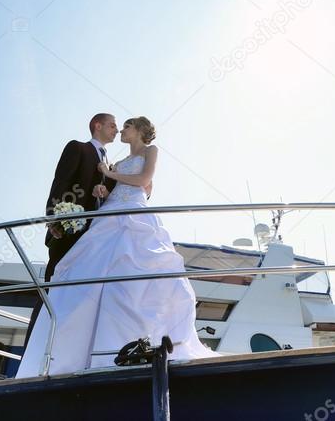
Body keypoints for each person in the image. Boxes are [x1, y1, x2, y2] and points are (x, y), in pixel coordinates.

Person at [16, 116, 216, 377]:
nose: (121, 129)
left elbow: (144, 179)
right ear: (98, 126)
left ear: (141, 130)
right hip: (106, 217)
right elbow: (71, 183)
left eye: (126, 126)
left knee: (133, 271)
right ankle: (74, 351)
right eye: (116, 125)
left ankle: (134, 342)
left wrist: (109, 174)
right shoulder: (114, 161)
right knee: (92, 274)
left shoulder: (147, 152)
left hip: (133, 215)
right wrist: (102, 193)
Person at [19, 113, 119, 353]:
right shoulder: (78, 148)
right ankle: (34, 349)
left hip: (95, 235)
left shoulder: (111, 165)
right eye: (112, 125)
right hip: (68, 229)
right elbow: (60, 181)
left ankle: (67, 348)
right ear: (98, 125)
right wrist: (54, 216)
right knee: (54, 282)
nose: (116, 129)